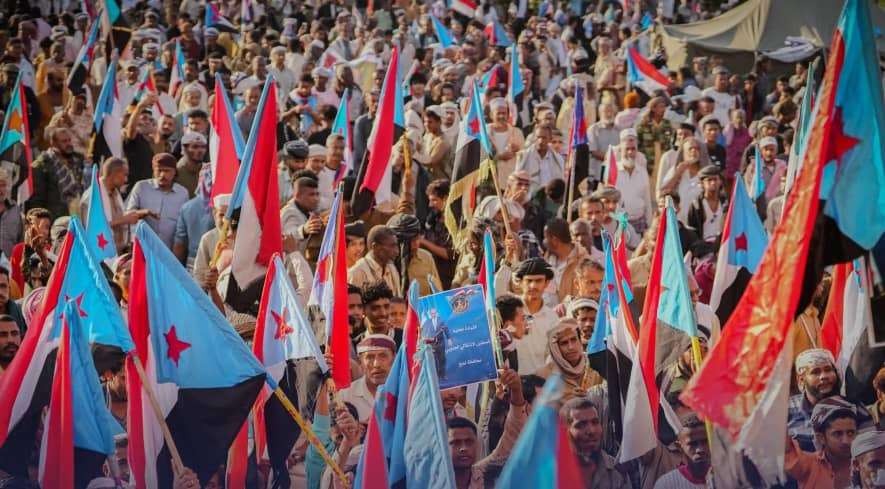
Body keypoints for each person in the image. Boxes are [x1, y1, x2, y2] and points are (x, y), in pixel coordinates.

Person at [448, 367, 527, 489]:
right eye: (455, 443)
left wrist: (516, 391)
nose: (463, 448)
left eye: (469, 442)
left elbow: (513, 433)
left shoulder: (484, 473)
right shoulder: (431, 480)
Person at [789, 348, 873, 453]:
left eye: (828, 370)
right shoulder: (785, 410)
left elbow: (870, 448)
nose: (824, 376)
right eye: (815, 372)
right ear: (801, 380)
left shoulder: (855, 407)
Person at [785, 396, 859, 488]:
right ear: (821, 438)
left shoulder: (866, 463)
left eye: (850, 433)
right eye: (837, 434)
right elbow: (785, 448)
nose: (846, 441)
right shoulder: (809, 465)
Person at [560, 397, 630, 488]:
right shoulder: (552, 473)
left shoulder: (617, 470)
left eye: (595, 422)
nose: (591, 431)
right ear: (565, 431)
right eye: (581, 425)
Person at [125, 153, 189, 249]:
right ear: (153, 170)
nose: (162, 175)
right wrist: (144, 212)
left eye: (167, 171)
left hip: (169, 250)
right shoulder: (141, 187)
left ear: (174, 172)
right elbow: (128, 215)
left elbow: (184, 225)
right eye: (159, 170)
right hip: (143, 247)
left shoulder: (182, 193)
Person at [536, 318, 603, 401]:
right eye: (564, 343)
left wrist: (590, 395)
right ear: (556, 348)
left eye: (574, 340)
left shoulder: (597, 366)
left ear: (580, 340)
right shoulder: (543, 375)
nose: (571, 347)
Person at [27, 127, 86, 218]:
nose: (69, 144)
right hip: (56, 217)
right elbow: (37, 199)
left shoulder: (78, 159)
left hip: (80, 213)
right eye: (64, 141)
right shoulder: (42, 165)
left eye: (69, 140)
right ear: (53, 143)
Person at [338, 334, 395, 423]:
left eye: (383, 356)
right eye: (370, 357)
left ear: (394, 359)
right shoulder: (345, 396)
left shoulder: (405, 393)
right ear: (360, 362)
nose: (376, 364)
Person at [653, 414, 711, 488]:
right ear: (679, 446)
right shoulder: (666, 484)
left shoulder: (724, 476)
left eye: (705, 441)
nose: (700, 449)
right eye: (692, 444)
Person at [348, 225, 402, 296]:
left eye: (396, 246)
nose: (397, 251)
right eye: (392, 246)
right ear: (375, 247)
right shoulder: (358, 272)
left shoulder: (392, 268)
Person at [516, 125, 565, 195]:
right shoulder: (523, 156)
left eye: (544, 138)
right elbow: (517, 179)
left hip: (550, 197)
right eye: (538, 137)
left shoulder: (558, 159)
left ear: (550, 139)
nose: (540, 141)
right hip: (529, 196)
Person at [281, 176, 323, 255]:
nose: (316, 198)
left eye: (317, 194)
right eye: (311, 195)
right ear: (297, 195)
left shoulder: (308, 210)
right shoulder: (289, 212)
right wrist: (304, 230)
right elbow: (288, 235)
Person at [685, 165, 726, 242]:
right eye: (709, 180)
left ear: (720, 181)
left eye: (715, 179)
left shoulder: (726, 203)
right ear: (702, 183)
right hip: (704, 246)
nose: (713, 183)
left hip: (723, 245)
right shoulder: (696, 205)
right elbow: (691, 232)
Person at [175, 131, 208, 198]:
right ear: (184, 149)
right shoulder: (175, 172)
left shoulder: (208, 170)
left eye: (203, 147)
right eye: (195, 147)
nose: (200, 150)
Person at [0, 170, 23, 258]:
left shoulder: (15, 210)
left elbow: (21, 240)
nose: (1, 189)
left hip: (9, 263)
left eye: (3, 185)